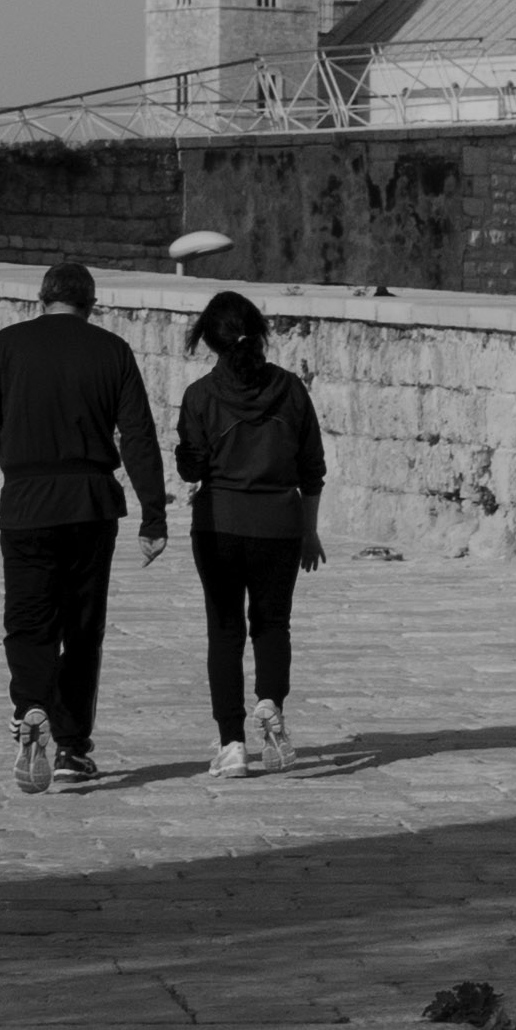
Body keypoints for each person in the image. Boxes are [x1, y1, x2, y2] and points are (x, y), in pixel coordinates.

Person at [0, 253, 169, 794]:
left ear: (41, 299)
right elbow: (138, 436)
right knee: (82, 626)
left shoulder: (7, 344)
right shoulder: (113, 351)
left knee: (28, 620)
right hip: (91, 507)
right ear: (91, 306)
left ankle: (30, 709)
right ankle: (73, 748)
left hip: (26, 504)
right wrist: (153, 515)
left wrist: (19, 445)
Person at [175, 286, 326, 778]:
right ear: (258, 333)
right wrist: (310, 531)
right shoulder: (290, 389)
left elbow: (191, 467)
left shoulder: (200, 396)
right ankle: (270, 704)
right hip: (279, 525)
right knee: (272, 624)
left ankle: (232, 744)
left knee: (224, 632)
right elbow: (312, 469)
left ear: (209, 341)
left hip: (219, 525)